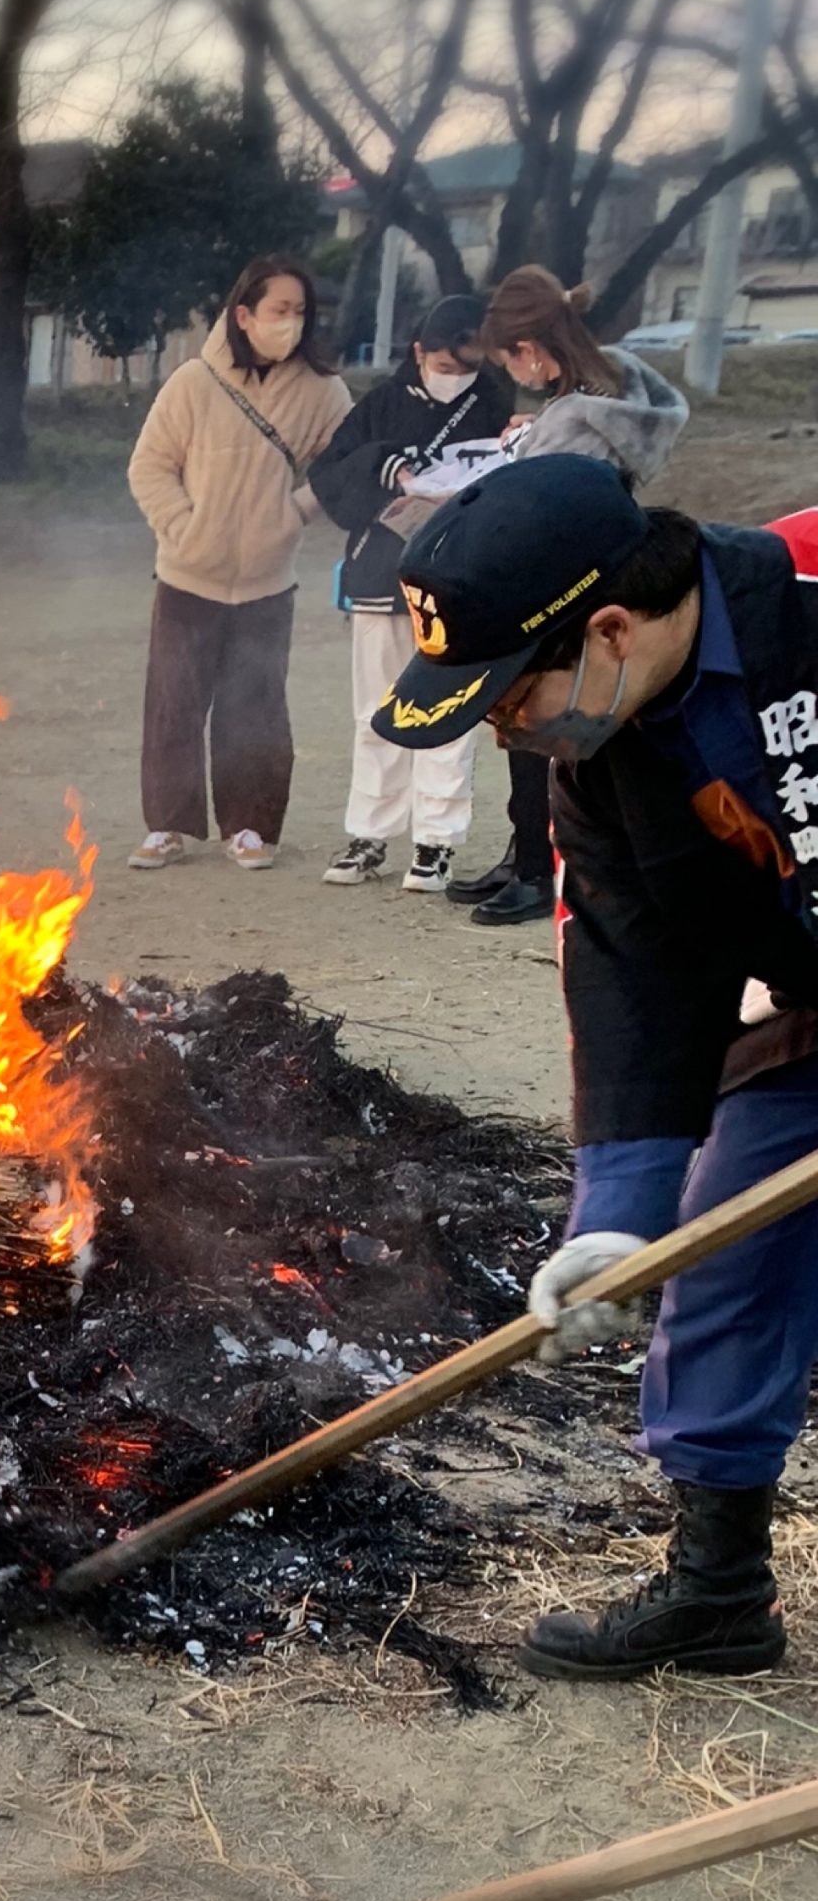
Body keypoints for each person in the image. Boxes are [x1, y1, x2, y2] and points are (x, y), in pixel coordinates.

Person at [375, 453, 818, 1678]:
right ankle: (719, 1588)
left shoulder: (810, 594)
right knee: (722, 1237)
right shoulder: (603, 762)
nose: (510, 727)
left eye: (511, 695)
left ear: (608, 628)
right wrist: (618, 1223)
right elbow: (628, 979)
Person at [453, 267, 692, 928]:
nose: (515, 373)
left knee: (538, 723)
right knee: (535, 728)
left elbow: (539, 506)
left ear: (530, 349)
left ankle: (537, 867)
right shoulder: (606, 392)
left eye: (510, 361)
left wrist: (520, 454)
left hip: (563, 589)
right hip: (595, 579)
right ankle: (525, 850)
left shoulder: (574, 423)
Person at [125, 254, 352, 874]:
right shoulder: (193, 383)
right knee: (173, 704)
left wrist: (295, 513)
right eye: (280, 310)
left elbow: (346, 467)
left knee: (256, 708)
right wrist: (183, 528)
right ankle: (168, 826)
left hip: (267, 581)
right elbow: (149, 468)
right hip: (186, 576)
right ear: (243, 315)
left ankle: (251, 826)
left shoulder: (323, 390)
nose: (292, 323)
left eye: (301, 311)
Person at [308, 292, 512, 892]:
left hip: (457, 576)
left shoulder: (494, 402)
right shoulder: (381, 403)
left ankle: (436, 843)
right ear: (420, 351)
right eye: (446, 366)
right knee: (374, 710)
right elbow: (329, 473)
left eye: (467, 368)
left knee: (450, 707)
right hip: (381, 572)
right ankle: (369, 833)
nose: (456, 379)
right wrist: (389, 467)